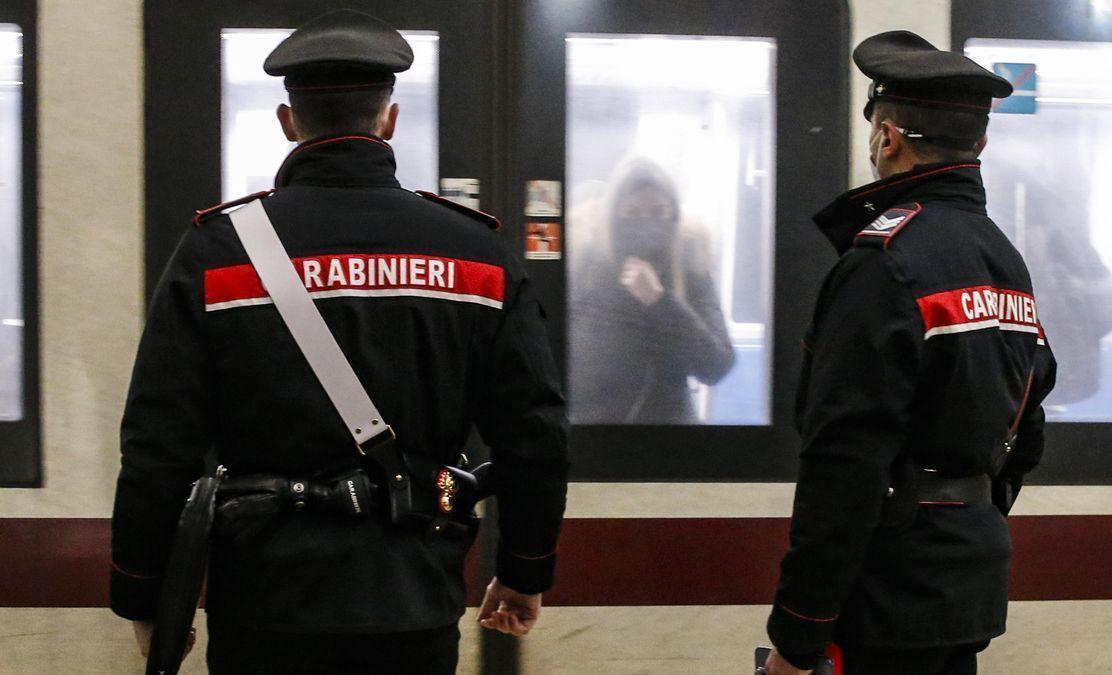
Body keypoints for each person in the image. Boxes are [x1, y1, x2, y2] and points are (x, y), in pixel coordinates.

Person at [109, 9, 568, 674]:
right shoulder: (475, 253)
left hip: (265, 604)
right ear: (390, 118)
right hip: (413, 600)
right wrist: (524, 568)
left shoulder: (218, 252)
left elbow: (157, 442)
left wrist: (146, 596)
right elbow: (535, 433)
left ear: (288, 123)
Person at [763, 31, 1057, 675]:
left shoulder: (884, 263)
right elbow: (1026, 426)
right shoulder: (1004, 260)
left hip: (882, 597)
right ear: (978, 143)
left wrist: (798, 635)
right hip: (966, 582)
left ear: (889, 138)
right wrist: (962, 516)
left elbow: (844, 463)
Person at [568, 157, 735, 424]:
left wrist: (660, 301)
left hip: (670, 432)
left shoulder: (688, 263)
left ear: (673, 214)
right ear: (613, 215)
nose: (645, 224)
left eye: (658, 212)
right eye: (632, 212)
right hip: (595, 431)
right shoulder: (588, 265)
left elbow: (716, 364)